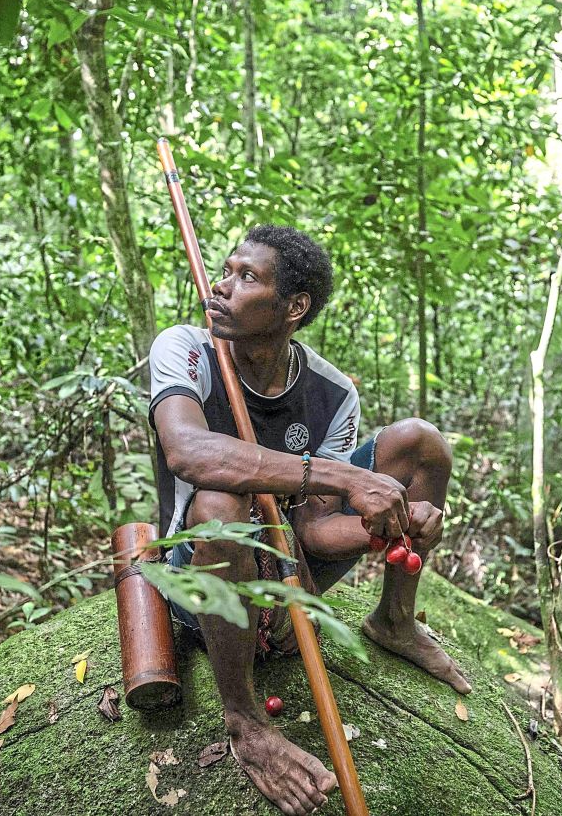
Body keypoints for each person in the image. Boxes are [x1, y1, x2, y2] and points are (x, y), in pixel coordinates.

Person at [149, 224, 469, 816]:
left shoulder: (330, 390)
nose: (222, 285)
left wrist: (391, 526)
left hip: (293, 572)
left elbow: (318, 531)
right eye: (226, 269)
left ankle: (395, 621)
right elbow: (188, 453)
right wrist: (342, 476)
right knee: (221, 507)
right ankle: (244, 721)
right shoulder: (186, 348)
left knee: (419, 442)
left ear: (293, 307)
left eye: (247, 277)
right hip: (203, 582)